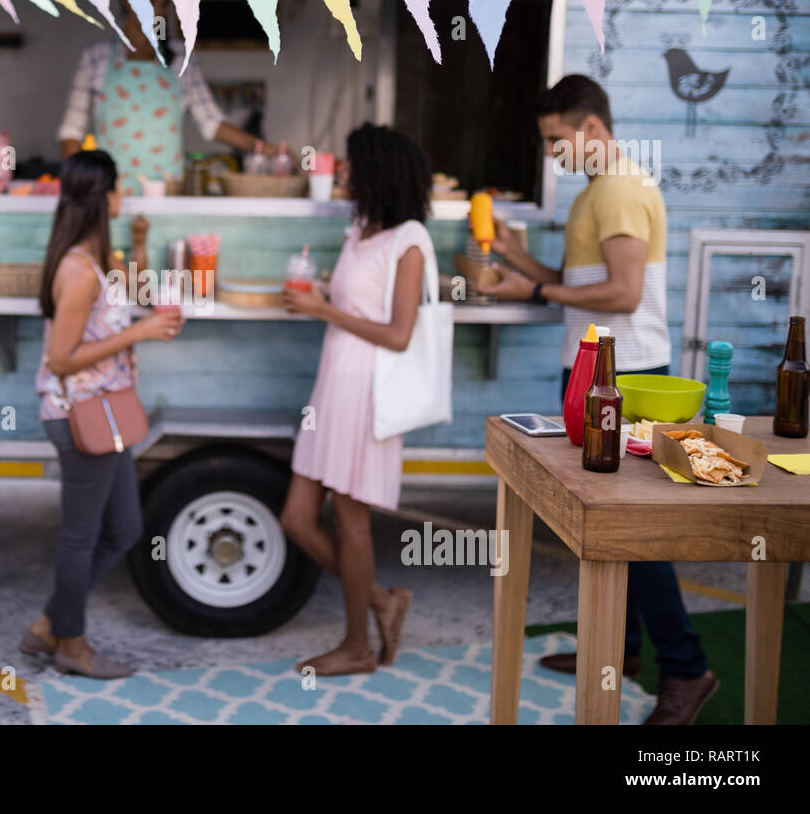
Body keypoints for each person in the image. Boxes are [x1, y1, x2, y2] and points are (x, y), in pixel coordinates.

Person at [478, 74, 718, 725]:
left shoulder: (617, 190)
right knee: (611, 528)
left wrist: (529, 294)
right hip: (598, 374)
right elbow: (578, 286)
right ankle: (622, 650)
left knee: (631, 532)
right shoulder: (597, 191)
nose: (552, 153)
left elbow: (622, 296)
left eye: (557, 140)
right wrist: (520, 262)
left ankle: (687, 669)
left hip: (627, 381)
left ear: (589, 128)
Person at [278, 124, 432, 675]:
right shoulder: (361, 228)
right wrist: (319, 294)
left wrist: (323, 310)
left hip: (368, 392)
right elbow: (356, 304)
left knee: (350, 522)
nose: (341, 173)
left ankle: (357, 647)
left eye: (350, 165)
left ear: (377, 173)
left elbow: (397, 333)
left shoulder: (410, 239)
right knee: (297, 518)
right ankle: (382, 603)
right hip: (332, 386)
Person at [22, 150, 182, 678]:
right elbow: (62, 358)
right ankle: (71, 643)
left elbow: (129, 289)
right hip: (79, 416)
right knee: (81, 536)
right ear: (106, 196)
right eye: (119, 189)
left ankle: (49, 624)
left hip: (107, 413)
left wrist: (136, 246)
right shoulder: (77, 269)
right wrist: (140, 332)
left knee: (126, 528)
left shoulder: (96, 258)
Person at [56, 0, 290, 195]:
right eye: (149, 1)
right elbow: (71, 130)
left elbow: (211, 122)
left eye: (163, 4)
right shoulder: (96, 57)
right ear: (126, 1)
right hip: (108, 192)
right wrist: (75, 187)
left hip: (167, 190)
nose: (158, 12)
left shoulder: (182, 58)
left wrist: (262, 148)